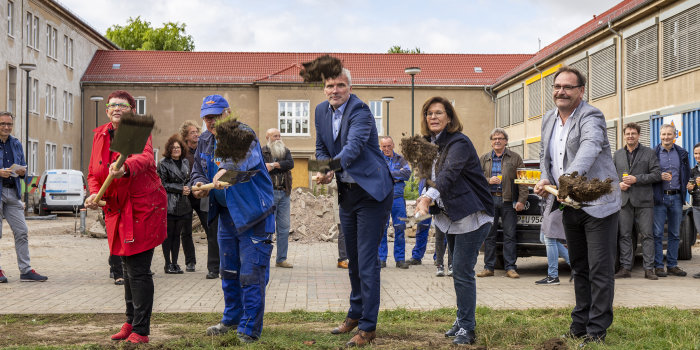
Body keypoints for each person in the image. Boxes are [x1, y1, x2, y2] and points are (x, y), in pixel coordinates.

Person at [534, 66, 620, 346]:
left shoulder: (590, 115)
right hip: (569, 204)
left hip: (598, 205)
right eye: (557, 86)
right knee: (579, 267)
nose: (561, 91)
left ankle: (596, 331)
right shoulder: (548, 118)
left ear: (581, 91)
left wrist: (569, 179)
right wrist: (546, 177)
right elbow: (544, 155)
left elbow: (590, 146)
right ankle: (579, 325)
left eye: (568, 87)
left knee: (599, 269)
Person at [314, 68, 393, 347]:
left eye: (340, 85)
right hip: (347, 194)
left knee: (367, 261)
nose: (334, 90)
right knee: (353, 260)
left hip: (372, 193)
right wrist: (325, 167)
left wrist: (330, 168)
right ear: (324, 88)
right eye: (329, 85)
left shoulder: (360, 110)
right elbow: (321, 147)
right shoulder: (321, 111)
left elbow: (354, 148)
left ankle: (369, 328)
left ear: (350, 86)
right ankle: (355, 314)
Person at [191, 95, 275, 344]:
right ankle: (231, 319)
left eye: (216, 116)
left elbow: (242, 163)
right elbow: (198, 167)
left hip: (253, 214)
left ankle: (249, 328)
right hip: (226, 215)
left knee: (251, 273)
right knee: (228, 271)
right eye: (207, 117)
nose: (211, 122)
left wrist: (224, 170)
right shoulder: (205, 139)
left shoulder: (243, 133)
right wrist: (197, 183)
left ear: (228, 113)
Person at [85, 90, 167, 344]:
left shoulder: (136, 130)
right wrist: (95, 194)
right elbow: (93, 172)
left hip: (143, 209)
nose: (116, 108)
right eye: (112, 105)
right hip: (116, 210)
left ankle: (141, 330)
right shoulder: (100, 134)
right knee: (125, 267)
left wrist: (125, 168)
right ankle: (131, 321)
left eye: (123, 104)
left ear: (132, 109)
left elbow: (144, 159)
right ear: (107, 110)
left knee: (138, 269)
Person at [414, 96, 494, 346]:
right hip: (450, 215)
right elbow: (426, 177)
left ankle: (468, 329)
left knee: (461, 270)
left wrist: (427, 199)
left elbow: (448, 175)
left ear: (449, 117)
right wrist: (422, 195)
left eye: (439, 113)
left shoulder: (459, 142)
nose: (433, 117)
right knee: (456, 270)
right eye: (429, 113)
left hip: (473, 214)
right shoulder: (428, 144)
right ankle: (461, 320)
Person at [0, 111, 47, 283]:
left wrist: (21, 172)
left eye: (9, 124)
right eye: (2, 124)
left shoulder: (16, 143)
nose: (6, 127)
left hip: (13, 192)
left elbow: (23, 169)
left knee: (22, 231)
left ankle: (25, 270)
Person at [477, 128, 528, 278]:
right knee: (489, 235)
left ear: (506, 141)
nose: (497, 141)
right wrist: (488, 180)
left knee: (510, 235)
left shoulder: (515, 157)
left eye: (500, 138)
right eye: (494, 139)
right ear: (491, 142)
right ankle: (488, 268)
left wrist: (522, 200)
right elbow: (476, 178)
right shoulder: (484, 158)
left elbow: (523, 181)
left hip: (508, 201)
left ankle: (510, 268)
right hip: (489, 200)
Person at [613, 122, 661, 280]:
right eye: (627, 133)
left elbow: (656, 174)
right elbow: (612, 175)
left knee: (647, 235)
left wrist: (637, 179)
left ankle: (649, 269)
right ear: (624, 135)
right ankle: (625, 268)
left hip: (644, 201)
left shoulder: (649, 153)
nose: (630, 136)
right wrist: (618, 184)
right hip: (624, 201)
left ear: (638, 135)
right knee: (624, 235)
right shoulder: (618, 154)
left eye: (633, 133)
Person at [180, 119, 218, 278]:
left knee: (210, 228)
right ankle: (190, 261)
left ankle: (214, 265)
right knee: (186, 230)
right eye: (192, 132)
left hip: (203, 193)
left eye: (197, 131)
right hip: (187, 195)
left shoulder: (205, 147)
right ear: (186, 136)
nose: (196, 134)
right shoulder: (181, 151)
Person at [652, 124, 689, 277]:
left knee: (675, 233)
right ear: (660, 135)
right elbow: (649, 173)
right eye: (663, 134)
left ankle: (672, 265)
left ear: (675, 135)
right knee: (658, 233)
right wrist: (659, 176)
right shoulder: (653, 154)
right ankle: (659, 266)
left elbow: (685, 173)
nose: (666, 137)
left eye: (669, 134)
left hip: (676, 197)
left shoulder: (682, 153)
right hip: (659, 198)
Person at [157, 135, 192, 274]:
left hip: (183, 204)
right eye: (173, 147)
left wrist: (188, 187)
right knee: (168, 235)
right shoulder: (163, 163)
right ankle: (167, 264)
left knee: (177, 235)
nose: (176, 149)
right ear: (169, 149)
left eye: (178, 147)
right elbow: (162, 184)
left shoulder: (185, 162)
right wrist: (180, 188)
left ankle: (175, 262)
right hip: (169, 203)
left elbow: (189, 178)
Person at [262, 128, 294, 268]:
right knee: (268, 227)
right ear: (267, 137)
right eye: (275, 136)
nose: (278, 138)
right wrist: (279, 166)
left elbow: (290, 164)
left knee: (284, 227)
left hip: (284, 193)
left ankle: (281, 259)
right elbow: (263, 168)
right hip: (270, 194)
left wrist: (274, 165)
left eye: (279, 135)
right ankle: (264, 259)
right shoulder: (263, 152)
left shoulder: (285, 150)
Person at [378, 136, 412, 269]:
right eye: (384, 146)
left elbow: (407, 174)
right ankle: (381, 259)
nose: (386, 149)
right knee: (382, 229)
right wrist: (396, 176)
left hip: (398, 199)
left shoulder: (400, 159)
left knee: (400, 228)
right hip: (382, 199)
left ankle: (400, 259)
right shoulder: (378, 159)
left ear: (393, 145)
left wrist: (388, 175)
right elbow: (376, 175)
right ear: (381, 147)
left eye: (389, 146)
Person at [535, 196, 571, 285]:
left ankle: (553, 276)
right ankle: (576, 266)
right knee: (543, 238)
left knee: (549, 239)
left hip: (555, 204)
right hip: (549, 204)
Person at [408, 178, 432, 267]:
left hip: (439, 197)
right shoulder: (423, 170)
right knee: (422, 226)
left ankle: (439, 259)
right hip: (424, 197)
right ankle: (417, 257)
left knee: (441, 230)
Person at [688, 142, 700, 279]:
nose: (698, 156)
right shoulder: (693, 171)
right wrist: (690, 189)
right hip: (697, 206)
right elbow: (693, 191)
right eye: (696, 153)